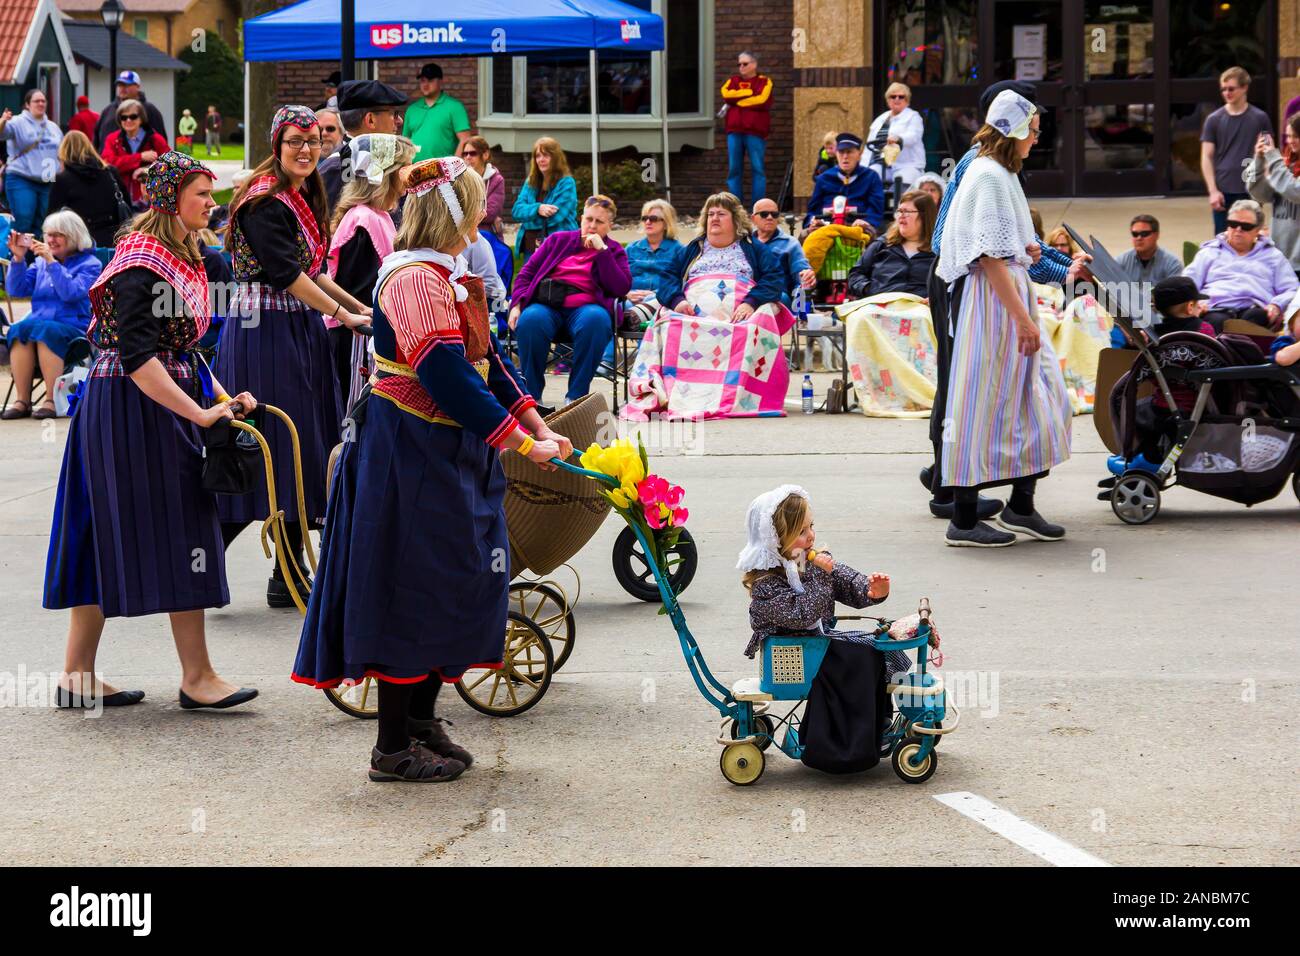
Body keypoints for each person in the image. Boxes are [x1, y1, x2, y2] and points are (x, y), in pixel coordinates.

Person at [293, 156, 571, 783]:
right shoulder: (413, 281)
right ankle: (392, 745)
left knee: (454, 580)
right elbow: (444, 375)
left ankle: (420, 719)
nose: (483, 213)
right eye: (475, 203)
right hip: (409, 450)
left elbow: (488, 363)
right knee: (411, 586)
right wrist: (520, 444)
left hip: (445, 448)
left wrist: (535, 421)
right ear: (454, 214)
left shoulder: (448, 276)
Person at [43, 152, 257, 711]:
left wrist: (219, 397)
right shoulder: (142, 263)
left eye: (213, 195)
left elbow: (179, 350)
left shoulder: (181, 254)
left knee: (102, 526)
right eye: (203, 196)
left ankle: (77, 673)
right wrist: (200, 413)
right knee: (184, 522)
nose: (214, 205)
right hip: (130, 408)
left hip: (149, 401)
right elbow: (139, 359)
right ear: (170, 200)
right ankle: (196, 676)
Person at [217, 106, 372, 608]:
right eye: (294, 141)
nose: (306, 149)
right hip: (263, 331)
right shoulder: (263, 201)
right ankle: (208, 557)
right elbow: (286, 274)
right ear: (276, 145)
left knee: (301, 442)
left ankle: (286, 573)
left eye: (312, 140)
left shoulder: (300, 195)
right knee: (273, 441)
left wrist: (358, 307)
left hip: (294, 326)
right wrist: (341, 315)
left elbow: (312, 270)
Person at [925, 79, 1084, 523]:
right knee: (979, 401)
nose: (1038, 137)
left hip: (1005, 296)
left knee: (1038, 397)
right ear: (1014, 130)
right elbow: (989, 256)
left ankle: (1020, 504)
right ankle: (962, 515)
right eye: (1033, 129)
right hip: (990, 302)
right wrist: (1024, 322)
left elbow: (1015, 244)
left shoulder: (1004, 173)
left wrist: (1050, 261)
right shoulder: (989, 175)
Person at [737, 486, 905, 773]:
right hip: (794, 656)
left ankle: (879, 718)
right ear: (776, 539)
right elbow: (802, 615)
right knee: (862, 655)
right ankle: (850, 739)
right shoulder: (766, 584)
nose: (811, 536)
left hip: (816, 646)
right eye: (801, 532)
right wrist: (819, 574)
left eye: (811, 526)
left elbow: (844, 582)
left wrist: (871, 590)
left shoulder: (807, 563)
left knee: (881, 646)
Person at [623, 193, 793, 421]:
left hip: (736, 315)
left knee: (756, 324)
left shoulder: (753, 248)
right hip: (692, 315)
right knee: (665, 322)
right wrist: (677, 301)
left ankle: (733, 396)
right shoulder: (693, 249)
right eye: (710, 214)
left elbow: (773, 279)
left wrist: (751, 303)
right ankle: (675, 395)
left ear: (735, 220)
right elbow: (668, 279)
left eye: (721, 214)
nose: (714, 218)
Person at [510, 194, 631, 402]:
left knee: (597, 319)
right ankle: (531, 396)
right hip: (548, 306)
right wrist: (516, 305)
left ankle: (576, 396)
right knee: (530, 319)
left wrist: (602, 252)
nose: (592, 226)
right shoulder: (558, 241)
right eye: (588, 219)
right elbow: (526, 274)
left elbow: (621, 287)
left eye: (599, 221)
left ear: (609, 225)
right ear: (581, 218)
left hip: (586, 310)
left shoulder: (613, 251)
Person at [327, 133, 418, 402]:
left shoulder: (377, 216)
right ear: (385, 174)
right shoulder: (363, 223)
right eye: (404, 168)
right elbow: (359, 289)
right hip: (354, 338)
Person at [2, 210, 102, 420]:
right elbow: (16, 290)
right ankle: (22, 400)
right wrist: (19, 259)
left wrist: (51, 262)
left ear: (74, 235)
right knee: (19, 329)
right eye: (48, 234)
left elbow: (71, 293)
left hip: (73, 328)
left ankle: (51, 399)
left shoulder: (91, 264)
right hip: (41, 324)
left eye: (58, 234)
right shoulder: (39, 263)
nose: (50, 239)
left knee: (45, 330)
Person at [1184, 198, 1296, 332]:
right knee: (1216, 322)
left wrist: (1276, 305)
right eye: (1233, 224)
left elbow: (1292, 289)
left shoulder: (1273, 256)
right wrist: (1196, 303)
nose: (1238, 230)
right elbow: (1187, 283)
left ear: (1257, 230)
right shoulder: (1209, 252)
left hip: (1255, 309)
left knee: (1254, 319)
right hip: (1215, 308)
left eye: (1246, 226)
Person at [1200, 67, 1274, 234]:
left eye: (1231, 88)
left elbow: (1270, 151)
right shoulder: (1213, 120)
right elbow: (1206, 156)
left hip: (1251, 189)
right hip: (1223, 191)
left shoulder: (1260, 118)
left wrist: (1268, 184)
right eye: (1223, 89)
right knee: (1223, 241)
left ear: (1244, 88)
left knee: (1251, 239)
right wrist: (1212, 191)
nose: (1227, 93)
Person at [318, 80, 407, 208]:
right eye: (393, 114)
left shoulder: (340, 165)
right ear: (370, 120)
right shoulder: (339, 168)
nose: (399, 121)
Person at [846, 190, 936, 299]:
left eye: (907, 211)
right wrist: (868, 289)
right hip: (879, 308)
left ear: (924, 216)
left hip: (920, 310)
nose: (901, 216)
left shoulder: (938, 252)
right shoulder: (882, 244)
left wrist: (935, 299)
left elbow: (948, 285)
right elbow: (855, 275)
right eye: (899, 211)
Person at [48, 131, 130, 247]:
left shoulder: (62, 179)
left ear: (63, 152)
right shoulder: (111, 172)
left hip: (79, 244)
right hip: (115, 241)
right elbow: (127, 203)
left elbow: (52, 218)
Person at [0, 90, 64, 236]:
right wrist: (3, 120)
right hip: (22, 178)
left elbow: (61, 153)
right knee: (24, 221)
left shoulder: (53, 127)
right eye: (37, 101)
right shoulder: (17, 122)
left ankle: (35, 258)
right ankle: (17, 257)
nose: (41, 104)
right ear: (27, 104)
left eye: (43, 101)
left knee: (43, 224)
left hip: (48, 179)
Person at [1245, 116, 1300, 275]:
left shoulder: (1279, 165)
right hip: (1280, 257)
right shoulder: (1285, 165)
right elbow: (1259, 194)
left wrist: (1275, 160)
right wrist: (1259, 160)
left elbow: (1294, 190)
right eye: (1288, 136)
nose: (1291, 141)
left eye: (1296, 136)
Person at [803, 132, 884, 237]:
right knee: (804, 236)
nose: (845, 157)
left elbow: (876, 209)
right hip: (827, 226)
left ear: (859, 154)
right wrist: (812, 222)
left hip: (858, 227)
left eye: (849, 152)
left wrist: (867, 222)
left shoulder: (871, 177)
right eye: (841, 152)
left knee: (872, 239)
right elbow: (812, 210)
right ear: (836, 154)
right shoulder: (824, 178)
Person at [511, 136, 579, 261]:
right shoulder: (530, 182)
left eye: (546, 155)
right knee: (530, 281)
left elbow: (555, 218)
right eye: (538, 156)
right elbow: (516, 211)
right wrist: (538, 209)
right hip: (531, 249)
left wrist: (527, 219)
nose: (541, 160)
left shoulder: (566, 183)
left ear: (555, 158)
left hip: (560, 248)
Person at [721, 51, 773, 205]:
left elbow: (762, 100)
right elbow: (726, 94)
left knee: (758, 169)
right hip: (734, 131)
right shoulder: (732, 81)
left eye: (745, 64)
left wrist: (738, 101)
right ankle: (736, 207)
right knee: (734, 170)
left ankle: (758, 207)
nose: (741, 67)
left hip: (755, 132)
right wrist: (748, 93)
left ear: (754, 64)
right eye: (739, 64)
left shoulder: (764, 82)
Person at [101, 99, 170, 207]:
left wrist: (148, 170)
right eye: (123, 117)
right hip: (120, 201)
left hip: (150, 201)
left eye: (133, 116)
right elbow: (108, 164)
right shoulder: (112, 139)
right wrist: (140, 157)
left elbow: (170, 165)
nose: (128, 120)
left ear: (141, 118)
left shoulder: (155, 139)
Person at [751, 197, 814, 307]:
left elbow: (801, 271)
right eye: (764, 214)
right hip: (747, 292)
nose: (770, 217)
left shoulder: (790, 243)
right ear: (753, 218)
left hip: (777, 296)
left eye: (774, 214)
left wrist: (806, 275)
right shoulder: (745, 242)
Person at [401, 62, 472, 160]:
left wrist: (454, 167)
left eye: (430, 80)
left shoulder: (455, 107)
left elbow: (465, 139)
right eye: (422, 80)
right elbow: (405, 142)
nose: (425, 84)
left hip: (443, 172)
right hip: (414, 170)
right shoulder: (412, 109)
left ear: (441, 81)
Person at [866, 82, 926, 196]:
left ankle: (896, 210)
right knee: (868, 177)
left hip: (906, 165)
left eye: (901, 97)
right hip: (880, 165)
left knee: (901, 183)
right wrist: (862, 167)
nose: (897, 99)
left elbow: (914, 137)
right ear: (888, 100)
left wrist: (899, 138)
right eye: (893, 96)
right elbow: (868, 147)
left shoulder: (913, 117)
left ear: (907, 100)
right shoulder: (880, 119)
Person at [94, 71, 168, 149]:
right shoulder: (108, 110)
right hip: (108, 159)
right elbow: (97, 138)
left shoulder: (149, 110)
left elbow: (161, 141)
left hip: (143, 159)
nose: (122, 88)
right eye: (120, 85)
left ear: (138, 86)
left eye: (127, 85)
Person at [461, 135, 504, 235]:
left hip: (487, 235)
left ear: (485, 155)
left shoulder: (497, 180)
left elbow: (490, 213)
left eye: (473, 153)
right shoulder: (460, 179)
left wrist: (464, 213)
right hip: (463, 235)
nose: (468, 157)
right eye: (465, 153)